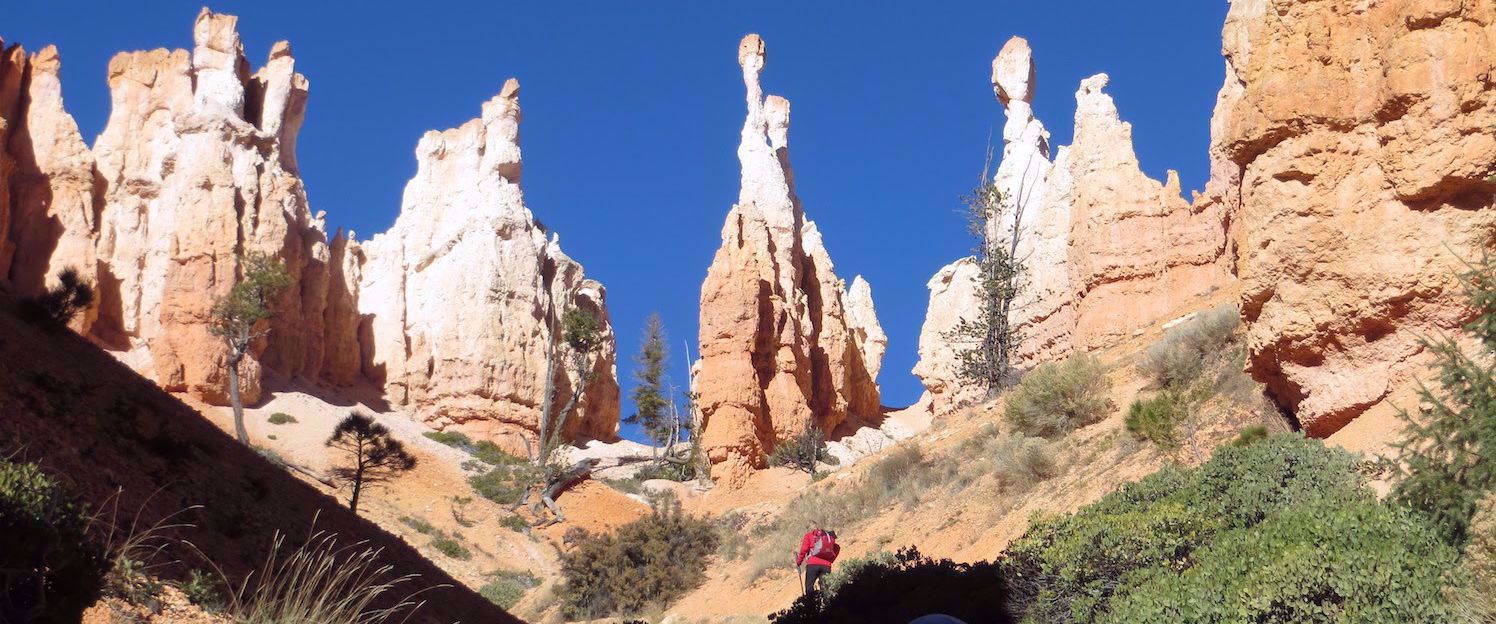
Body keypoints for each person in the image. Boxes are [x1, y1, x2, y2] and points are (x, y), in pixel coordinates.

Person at [795, 521, 840, 596]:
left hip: (813, 564)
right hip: (826, 565)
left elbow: (804, 550)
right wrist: (830, 560)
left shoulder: (809, 535)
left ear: (808, 528)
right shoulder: (827, 536)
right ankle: (827, 605)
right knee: (826, 588)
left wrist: (798, 562)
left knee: (809, 588)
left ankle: (813, 604)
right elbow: (837, 548)